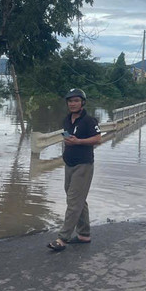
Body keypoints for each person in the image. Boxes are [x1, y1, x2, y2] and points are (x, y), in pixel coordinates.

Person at [48, 88, 102, 252]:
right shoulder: (67, 120)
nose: (73, 104)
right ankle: (84, 234)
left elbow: (98, 139)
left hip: (83, 165)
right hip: (69, 164)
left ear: (82, 102)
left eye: (76, 101)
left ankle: (62, 238)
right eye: (70, 101)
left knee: (73, 201)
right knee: (78, 200)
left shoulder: (89, 121)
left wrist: (78, 142)